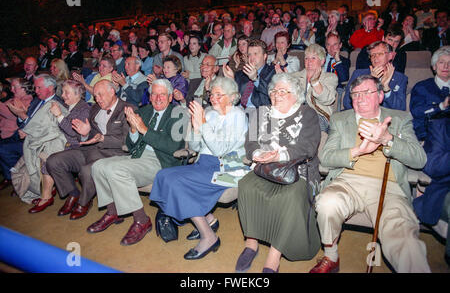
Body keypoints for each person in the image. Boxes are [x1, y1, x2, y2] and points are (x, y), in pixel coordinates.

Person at [310, 74, 430, 273]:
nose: (360, 98)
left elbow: (419, 159)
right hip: (347, 181)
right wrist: (359, 151)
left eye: (367, 92)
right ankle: (331, 256)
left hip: (388, 187)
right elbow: (327, 157)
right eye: (355, 94)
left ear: (380, 96)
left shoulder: (399, 119)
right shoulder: (341, 119)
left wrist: (388, 139)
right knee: (327, 203)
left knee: (404, 238)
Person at [150, 76, 249, 260]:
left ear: (232, 96)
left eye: (219, 95)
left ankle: (209, 237)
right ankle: (208, 219)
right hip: (203, 164)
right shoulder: (209, 113)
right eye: (212, 93)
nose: (213, 97)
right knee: (163, 176)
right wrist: (195, 128)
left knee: (178, 183)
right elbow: (195, 148)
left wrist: (202, 124)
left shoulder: (237, 116)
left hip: (225, 168)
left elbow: (220, 149)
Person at [236, 73, 321, 273]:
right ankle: (251, 242)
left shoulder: (307, 114)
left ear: (296, 95)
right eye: (274, 90)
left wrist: (278, 155)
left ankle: (275, 254)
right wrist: (258, 153)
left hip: (297, 171)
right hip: (264, 168)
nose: (277, 94)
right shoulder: (261, 112)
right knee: (246, 185)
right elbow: (250, 143)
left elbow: (308, 147)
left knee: (290, 196)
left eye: (283, 91)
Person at [88, 78, 184, 245]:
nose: (158, 98)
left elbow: (172, 146)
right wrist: (133, 130)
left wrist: (143, 130)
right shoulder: (145, 111)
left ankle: (141, 220)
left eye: (162, 95)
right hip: (137, 156)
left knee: (116, 171)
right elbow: (131, 145)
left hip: (161, 161)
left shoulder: (179, 114)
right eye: (154, 94)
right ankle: (113, 211)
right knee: (98, 166)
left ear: (170, 97)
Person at [46, 80, 132, 220]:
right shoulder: (95, 109)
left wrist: (102, 138)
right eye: (95, 95)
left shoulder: (127, 109)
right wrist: (85, 133)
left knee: (87, 171)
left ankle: (84, 201)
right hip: (89, 149)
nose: (97, 99)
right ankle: (73, 193)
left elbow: (128, 141)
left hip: (112, 153)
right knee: (53, 161)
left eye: (100, 95)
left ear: (112, 91)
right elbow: (89, 134)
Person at [410, 46, 449, 267]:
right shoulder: (423, 87)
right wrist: (441, 105)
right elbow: (417, 113)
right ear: (433, 66)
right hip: (428, 138)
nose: (446, 67)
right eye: (442, 63)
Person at [28, 80, 91, 213]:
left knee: (49, 160)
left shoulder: (84, 108)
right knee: (37, 154)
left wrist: (59, 115)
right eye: (62, 92)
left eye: (66, 92)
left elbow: (74, 133)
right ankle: (65, 194)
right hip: (63, 145)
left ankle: (59, 196)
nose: (63, 95)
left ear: (77, 94)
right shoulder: (66, 107)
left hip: (77, 148)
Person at [10, 75, 67, 203]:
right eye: (35, 87)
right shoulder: (36, 101)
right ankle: (27, 186)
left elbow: (52, 128)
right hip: (32, 139)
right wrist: (22, 122)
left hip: (48, 140)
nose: (36, 91)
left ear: (51, 88)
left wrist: (23, 116)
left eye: (39, 87)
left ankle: (38, 190)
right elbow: (26, 123)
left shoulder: (58, 103)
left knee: (37, 155)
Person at [344, 41, 407, 111]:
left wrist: (386, 88)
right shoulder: (358, 74)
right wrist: (369, 82)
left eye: (380, 54)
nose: (375, 57)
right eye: (373, 55)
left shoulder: (400, 78)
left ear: (390, 56)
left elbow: (401, 108)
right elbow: (347, 103)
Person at [290, 44, 338, 132]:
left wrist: (316, 83)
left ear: (322, 61)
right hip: (296, 114)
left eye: (313, 58)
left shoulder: (329, 77)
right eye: (306, 58)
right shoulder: (295, 76)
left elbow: (329, 99)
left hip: (318, 116)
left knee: (306, 124)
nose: (309, 61)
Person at [0, 78, 33, 190]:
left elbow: (10, 114)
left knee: (2, 149)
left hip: (15, 134)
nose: (12, 90)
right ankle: (10, 177)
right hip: (6, 132)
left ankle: (16, 177)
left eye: (15, 87)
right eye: (11, 87)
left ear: (24, 89)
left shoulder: (28, 100)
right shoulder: (13, 99)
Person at [223, 39, 276, 109]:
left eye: (255, 54)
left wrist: (255, 79)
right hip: (238, 110)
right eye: (249, 54)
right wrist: (231, 82)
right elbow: (232, 98)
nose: (252, 57)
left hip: (258, 111)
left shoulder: (272, 72)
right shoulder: (240, 74)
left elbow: (269, 98)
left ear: (265, 56)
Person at [324, 32, 350, 112]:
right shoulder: (320, 59)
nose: (331, 48)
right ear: (326, 46)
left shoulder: (344, 61)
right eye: (329, 45)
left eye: (335, 44)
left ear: (340, 45)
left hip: (337, 91)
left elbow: (344, 80)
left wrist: (338, 60)